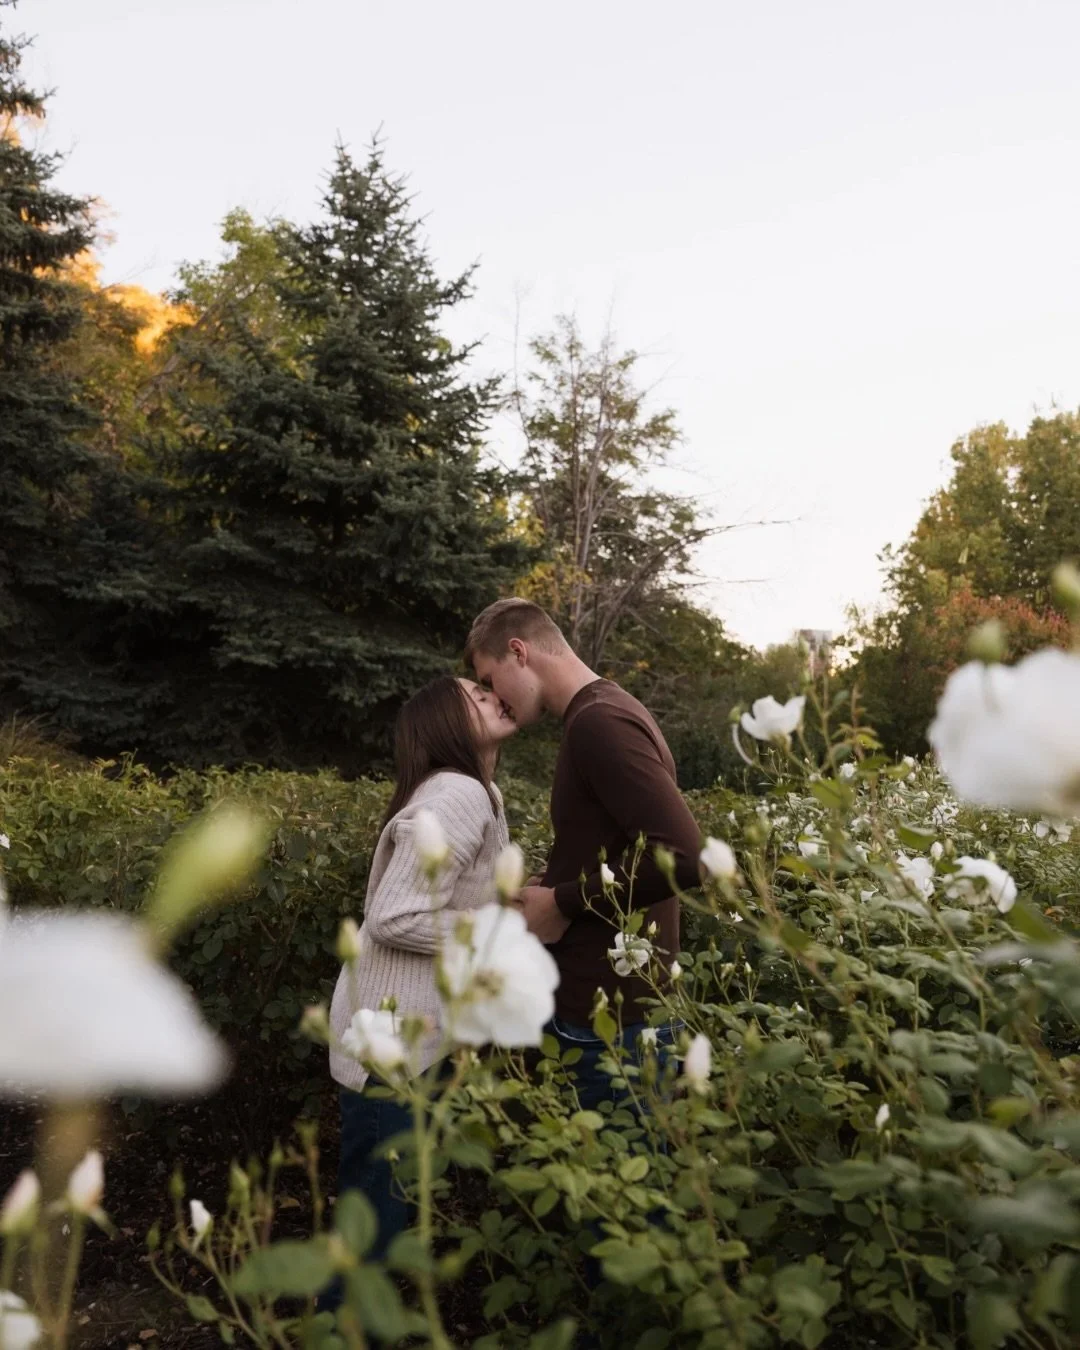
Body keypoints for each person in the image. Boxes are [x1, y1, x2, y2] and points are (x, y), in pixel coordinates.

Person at [465, 598, 702, 1112]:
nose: (495, 699)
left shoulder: (600, 723)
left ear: (518, 652)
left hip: (615, 1025)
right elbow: (615, 845)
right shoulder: (600, 713)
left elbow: (684, 857)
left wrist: (563, 901)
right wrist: (551, 881)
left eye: (489, 681)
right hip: (611, 1012)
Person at [326, 674, 517, 1272]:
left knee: (377, 1217)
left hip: (405, 1041)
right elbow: (395, 916)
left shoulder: (477, 790)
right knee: (372, 1235)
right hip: (391, 1053)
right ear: (446, 724)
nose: (493, 694)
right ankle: (345, 1321)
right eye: (476, 696)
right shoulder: (458, 793)